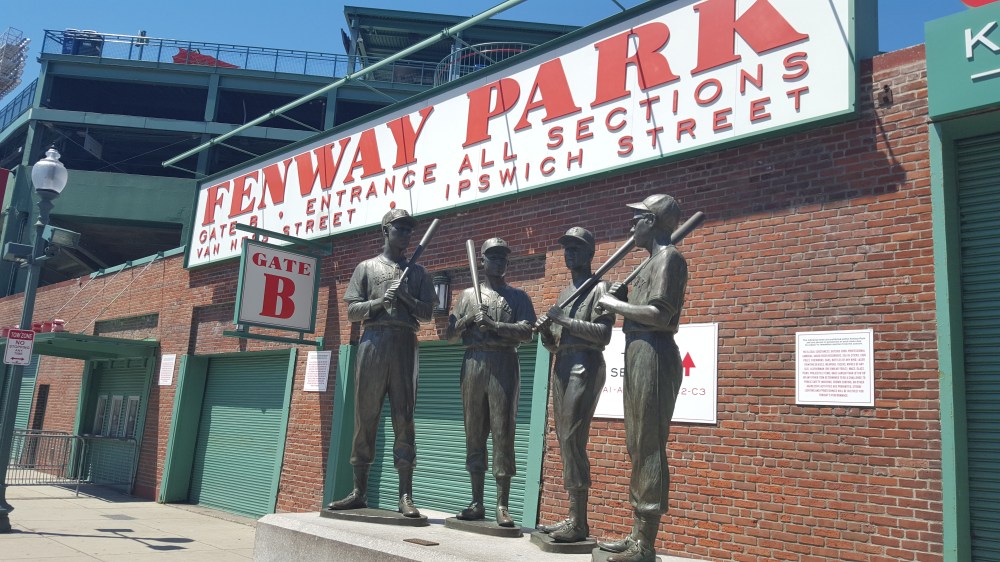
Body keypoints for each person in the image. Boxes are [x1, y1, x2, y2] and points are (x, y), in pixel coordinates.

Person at [594, 194, 689, 562]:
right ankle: (636, 534)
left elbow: (660, 315)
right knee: (636, 444)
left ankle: (645, 544)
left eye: (638, 220)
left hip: (654, 351)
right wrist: (623, 295)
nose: (631, 226)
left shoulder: (670, 259)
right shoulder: (651, 262)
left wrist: (614, 304)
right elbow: (642, 308)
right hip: (637, 350)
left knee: (649, 444)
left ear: (653, 222)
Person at [328, 208, 435, 518]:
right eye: (399, 229)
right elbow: (352, 312)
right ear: (386, 231)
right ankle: (359, 491)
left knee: (405, 418)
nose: (405, 234)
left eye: (408, 230)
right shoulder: (366, 268)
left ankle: (405, 495)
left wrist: (405, 299)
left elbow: (427, 313)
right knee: (365, 417)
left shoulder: (418, 273)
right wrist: (379, 302)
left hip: (404, 343)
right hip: (372, 343)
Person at [447, 237, 536, 527]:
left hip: (503, 363)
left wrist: (495, 326)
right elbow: (448, 335)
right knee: (474, 434)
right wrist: (468, 320)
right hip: (473, 362)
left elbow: (527, 332)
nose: (499, 262)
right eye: (493, 257)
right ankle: (476, 501)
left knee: (503, 433)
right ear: (482, 261)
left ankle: (502, 504)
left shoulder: (519, 296)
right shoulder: (467, 296)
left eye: (503, 258)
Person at [534, 227, 614, 543]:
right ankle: (572, 516)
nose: (570, 254)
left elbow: (603, 334)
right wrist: (545, 332)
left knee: (572, 438)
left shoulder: (600, 287)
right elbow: (555, 344)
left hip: (586, 363)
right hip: (563, 362)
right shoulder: (565, 293)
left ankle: (580, 523)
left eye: (576, 248)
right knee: (563, 440)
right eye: (566, 248)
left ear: (590, 252)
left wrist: (564, 321)